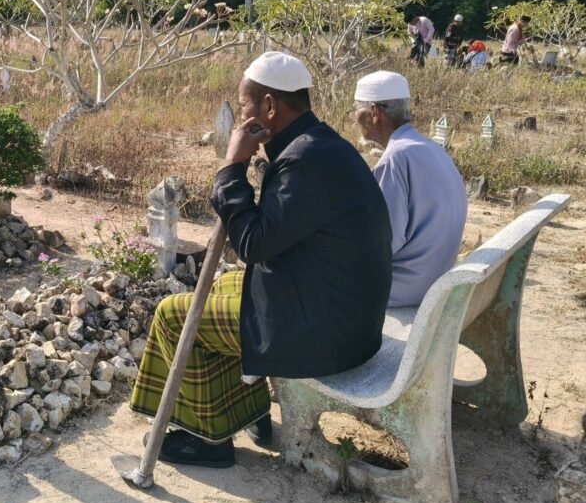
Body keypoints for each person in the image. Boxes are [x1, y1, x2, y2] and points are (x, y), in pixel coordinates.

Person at [129, 52, 392, 468]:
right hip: (344, 314)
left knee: (172, 314)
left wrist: (231, 166)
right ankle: (247, 411)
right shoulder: (322, 145)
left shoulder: (304, 162)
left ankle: (206, 442)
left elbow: (251, 243)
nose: (241, 117)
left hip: (327, 336)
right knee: (225, 286)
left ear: (269, 107)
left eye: (245, 105)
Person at [354, 71, 468, 307]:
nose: (354, 118)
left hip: (405, 288)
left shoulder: (395, 158)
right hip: (435, 277)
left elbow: (385, 241)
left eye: (356, 110)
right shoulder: (430, 148)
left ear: (374, 113)